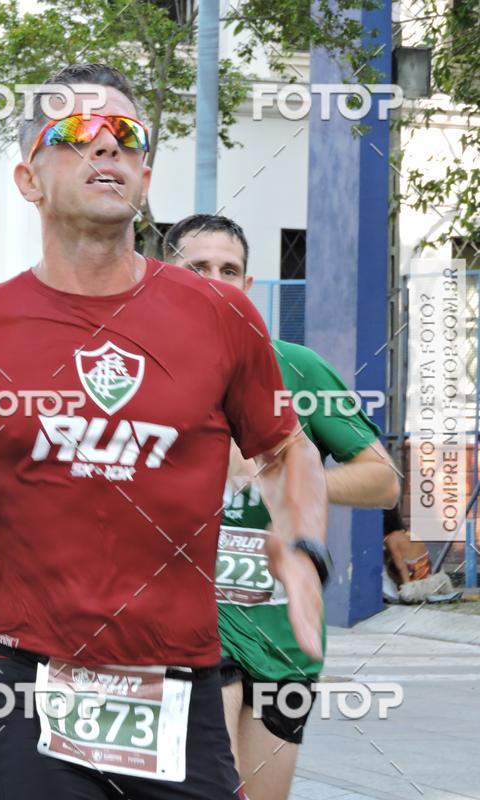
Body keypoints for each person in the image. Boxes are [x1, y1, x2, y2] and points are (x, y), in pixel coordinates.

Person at [0, 65, 329, 799]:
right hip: (26, 685)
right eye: (79, 134)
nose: (108, 149)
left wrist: (305, 548)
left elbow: (285, 449)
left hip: (180, 686)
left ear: (145, 176)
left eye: (126, 136)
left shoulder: (221, 315)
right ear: (28, 179)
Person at [163, 213, 400, 800]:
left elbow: (383, 481)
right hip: (185, 621)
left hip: (280, 635)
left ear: (246, 285)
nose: (216, 281)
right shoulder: (139, 374)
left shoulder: (295, 369)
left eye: (230, 270)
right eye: (198, 269)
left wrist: (298, 481)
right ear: (165, 280)